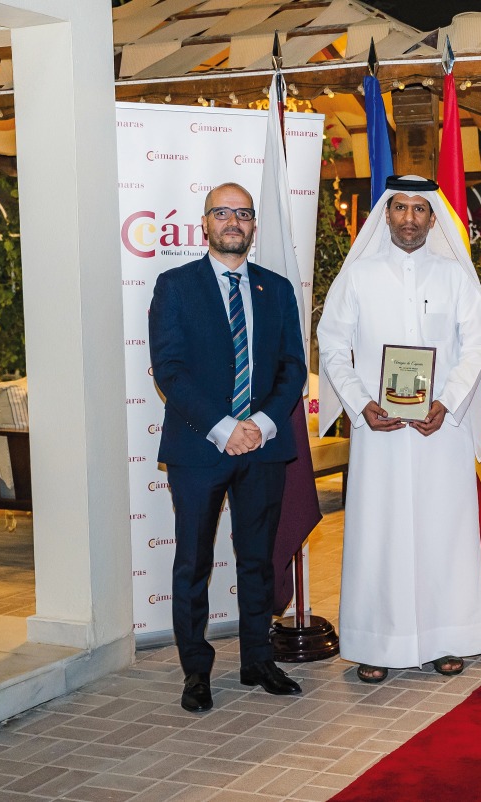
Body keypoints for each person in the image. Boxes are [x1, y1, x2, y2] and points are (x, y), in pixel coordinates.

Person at [317, 175, 481, 684]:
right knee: (380, 534)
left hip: (441, 431)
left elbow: (477, 345)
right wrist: (361, 404)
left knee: (443, 533)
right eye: (400, 208)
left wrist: (448, 402)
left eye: (420, 209)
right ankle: (377, 642)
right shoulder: (359, 277)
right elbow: (332, 347)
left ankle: (447, 638)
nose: (410, 218)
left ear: (434, 218)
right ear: (385, 215)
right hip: (381, 431)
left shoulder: (455, 277)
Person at [149, 182, 307, 713]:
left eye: (242, 214)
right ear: (205, 223)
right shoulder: (174, 287)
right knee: (192, 561)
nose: (233, 222)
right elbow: (169, 368)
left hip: (261, 446)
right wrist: (224, 426)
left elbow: (293, 369)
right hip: (200, 447)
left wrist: (259, 424)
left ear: (254, 225)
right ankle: (196, 672)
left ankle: (258, 660)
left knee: (257, 559)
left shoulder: (277, 289)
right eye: (223, 213)